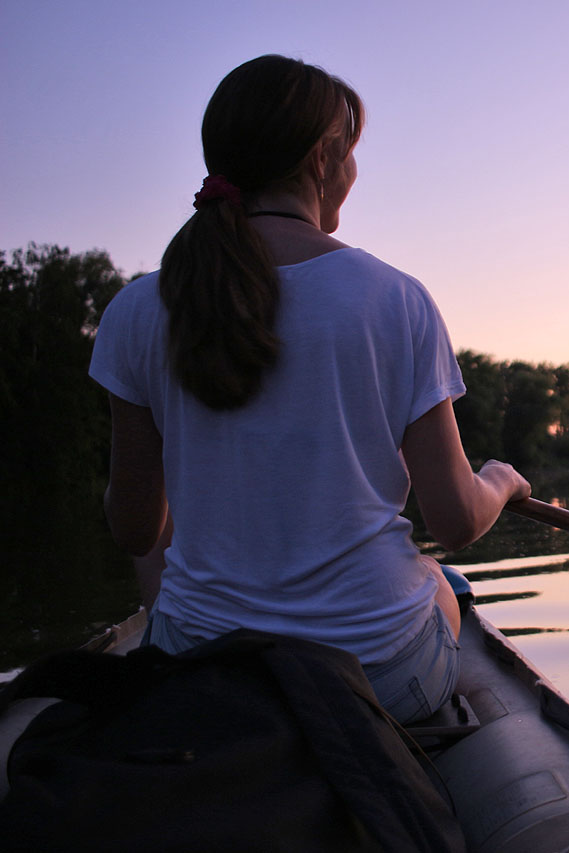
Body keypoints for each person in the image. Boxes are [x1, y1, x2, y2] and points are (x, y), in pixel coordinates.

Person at [88, 55, 530, 724]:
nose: (353, 169)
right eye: (350, 152)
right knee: (441, 582)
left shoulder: (134, 310)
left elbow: (134, 527)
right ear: (324, 157)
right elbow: (457, 520)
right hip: (376, 676)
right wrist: (499, 478)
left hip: (204, 673)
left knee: (175, 602)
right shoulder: (395, 299)